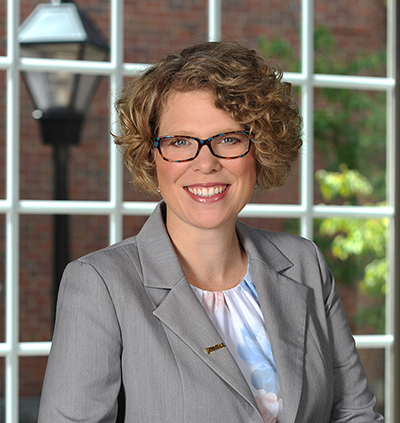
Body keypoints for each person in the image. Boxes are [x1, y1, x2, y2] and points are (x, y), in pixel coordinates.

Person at [38, 41, 384, 423]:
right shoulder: (101, 285)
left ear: (261, 149)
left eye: (228, 139)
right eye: (180, 142)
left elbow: (354, 414)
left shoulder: (304, 264)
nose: (205, 164)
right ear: (151, 157)